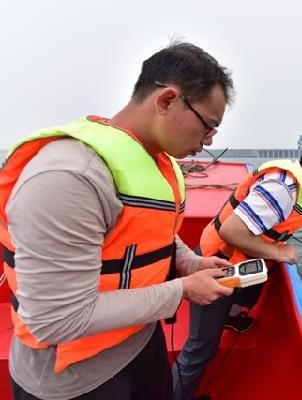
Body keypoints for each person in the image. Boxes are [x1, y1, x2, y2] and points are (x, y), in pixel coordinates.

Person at [0, 41, 236, 400]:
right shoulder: (70, 177)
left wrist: (188, 262)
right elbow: (57, 320)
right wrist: (182, 291)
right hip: (74, 380)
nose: (208, 141)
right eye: (208, 126)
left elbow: (155, 231)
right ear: (167, 100)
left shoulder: (159, 162)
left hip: (140, 340)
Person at [172, 141, 302, 400]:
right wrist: (279, 252)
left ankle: (230, 314)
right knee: (200, 351)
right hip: (215, 265)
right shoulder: (282, 190)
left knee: (264, 273)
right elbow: (230, 232)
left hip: (236, 264)